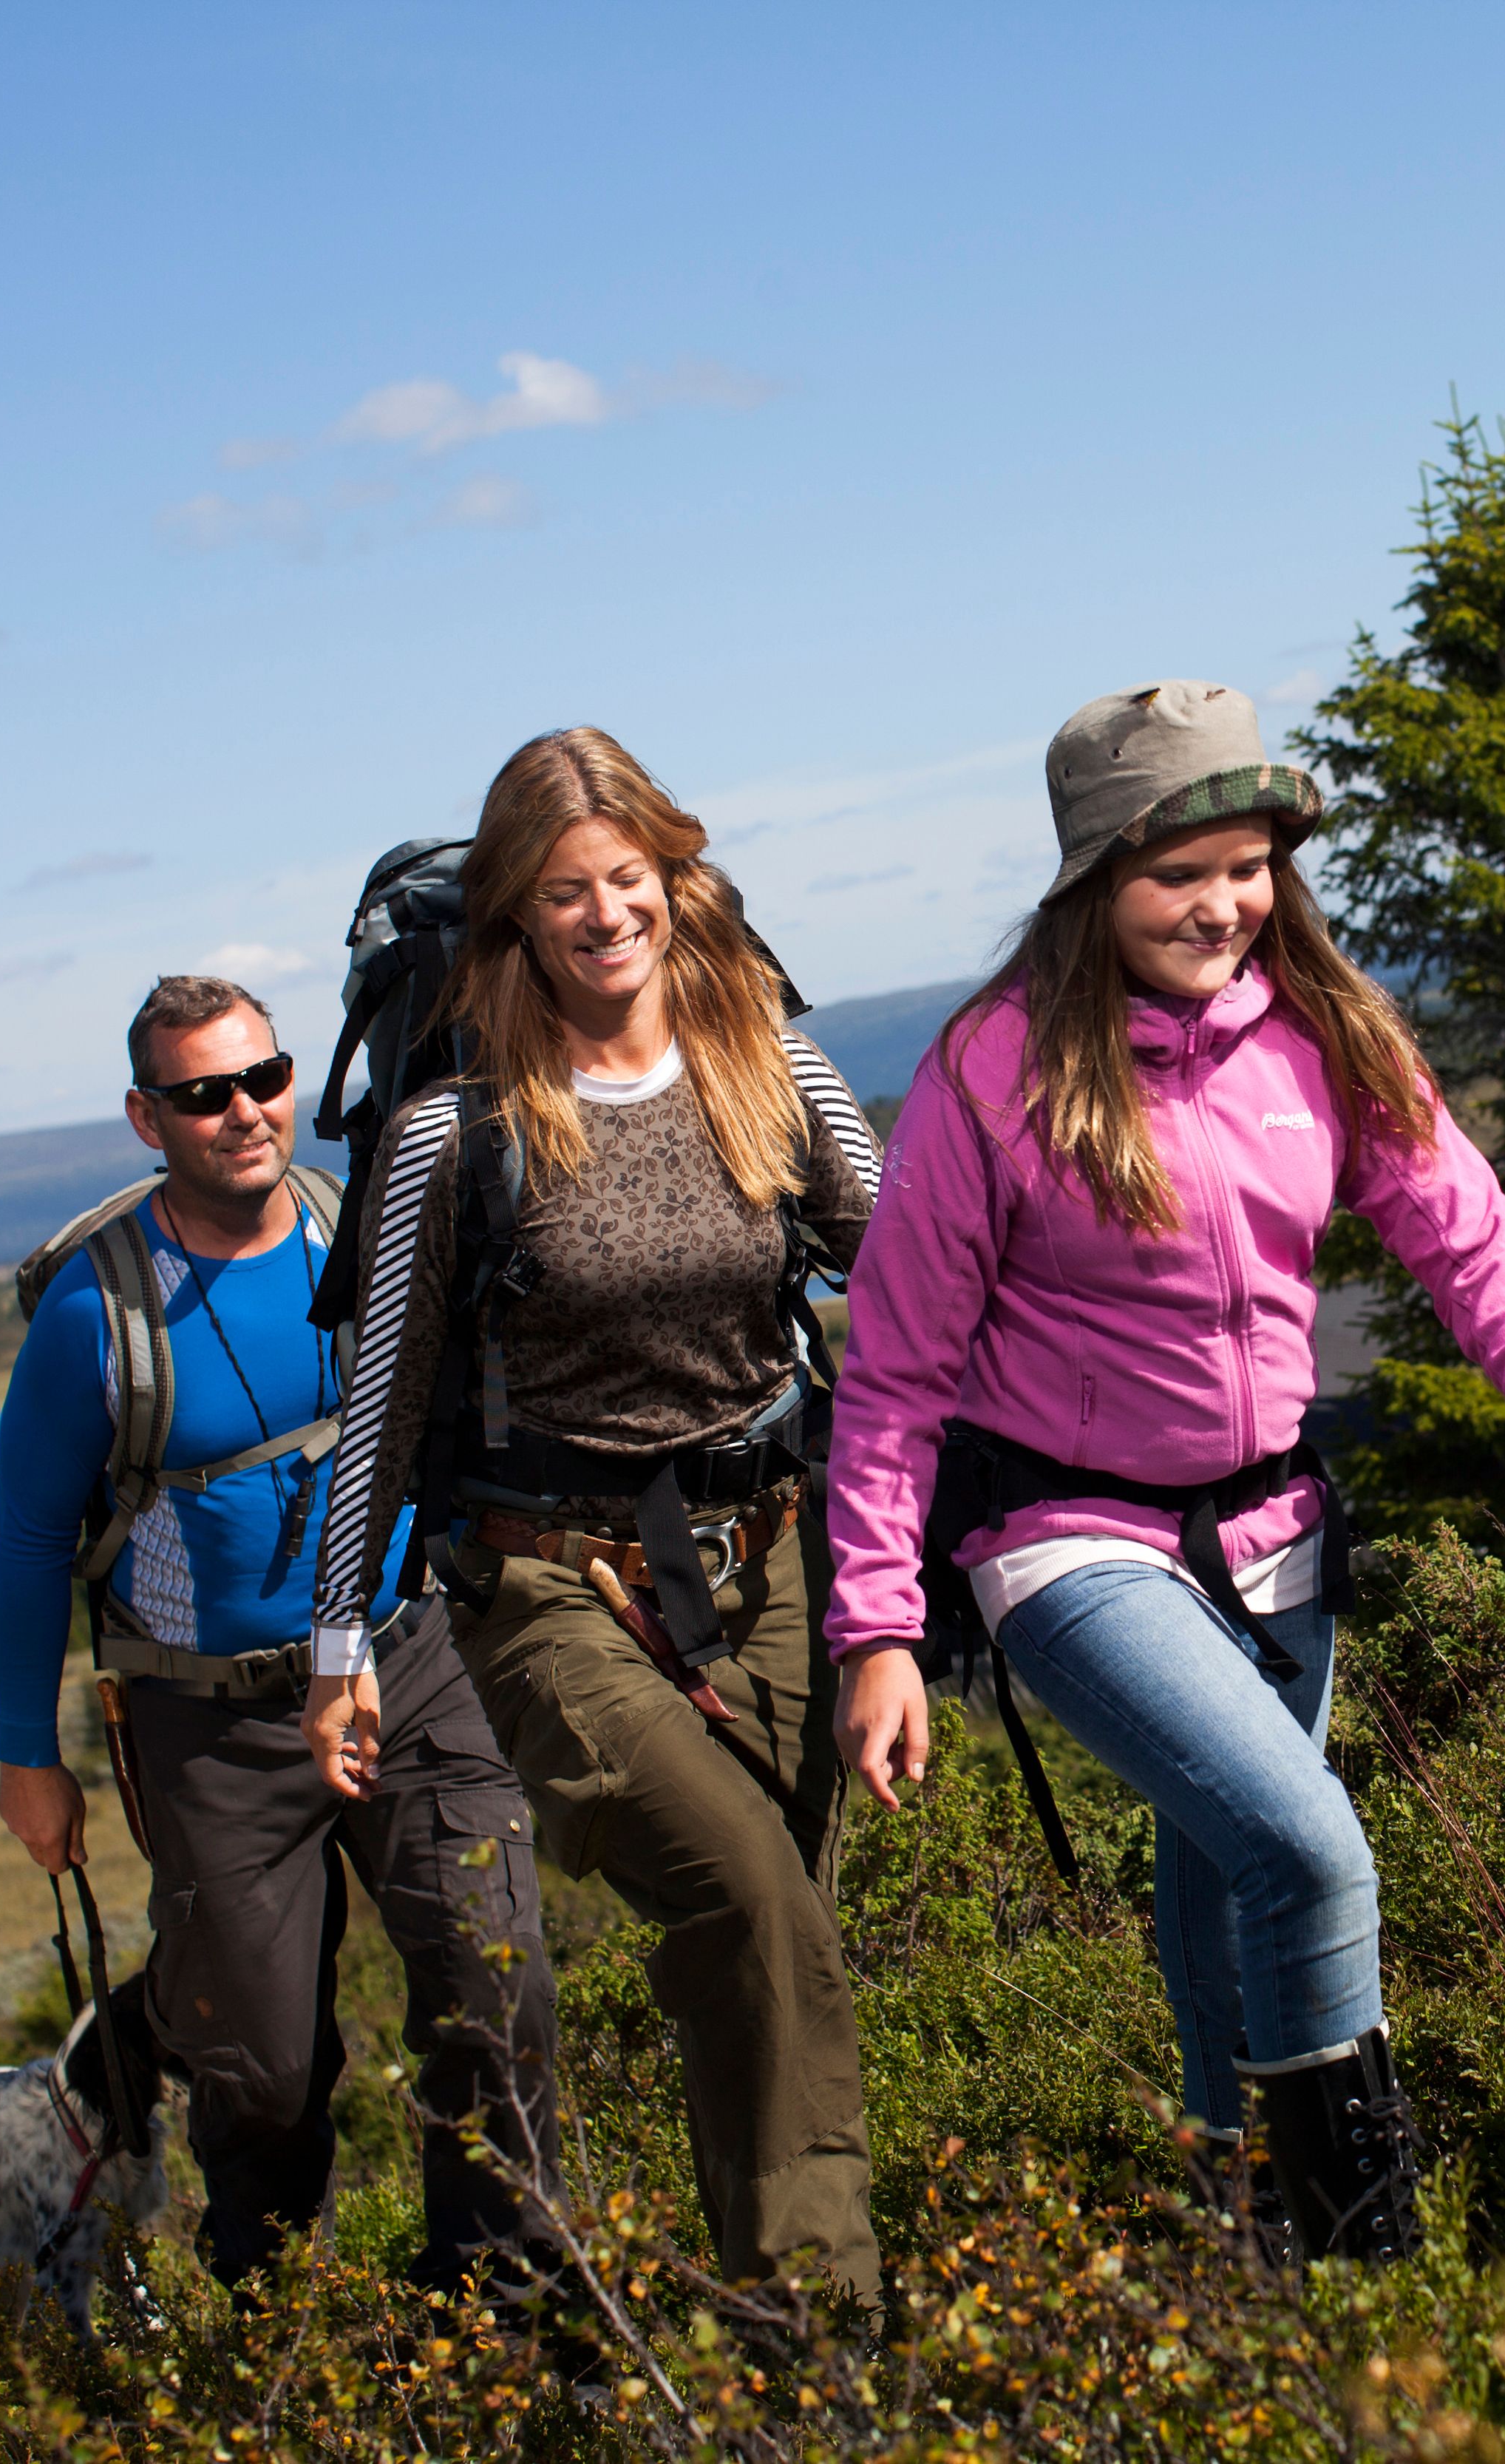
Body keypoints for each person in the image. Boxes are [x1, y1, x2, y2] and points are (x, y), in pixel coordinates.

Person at [824, 679, 1505, 2267]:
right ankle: (1365, 2253)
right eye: (1177, 870)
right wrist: (877, 1626)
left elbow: (1466, 1231)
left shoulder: (1325, 1031)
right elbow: (897, 1371)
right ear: (1093, 880)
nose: (1222, 903)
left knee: (1225, 1881)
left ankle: (1241, 2236)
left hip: (1275, 1527)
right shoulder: (994, 1069)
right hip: (1065, 1535)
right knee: (1310, 1848)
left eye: (1249, 865)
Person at [311, 727, 883, 2298]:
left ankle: (768, 2311)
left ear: (676, 879)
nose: (606, 915)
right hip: (552, 1588)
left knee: (769, 1949)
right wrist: (338, 1640)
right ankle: (830, 2333)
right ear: (514, 913)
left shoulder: (768, 1065)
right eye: (565, 891)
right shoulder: (458, 1130)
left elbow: (901, 1253)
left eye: (629, 878)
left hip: (773, 1558)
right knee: (751, 1904)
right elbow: (382, 1395)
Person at [0, 974, 560, 2297]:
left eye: (265, 1076)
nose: (245, 1111)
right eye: (204, 1094)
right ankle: (279, 2331)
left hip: (404, 1663)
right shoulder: (94, 1314)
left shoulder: (360, 1229)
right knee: (264, 2070)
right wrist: (29, 1757)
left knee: (497, 1980)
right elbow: (28, 1545)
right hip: (212, 1724)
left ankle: (507, 2311)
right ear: (148, 1118)